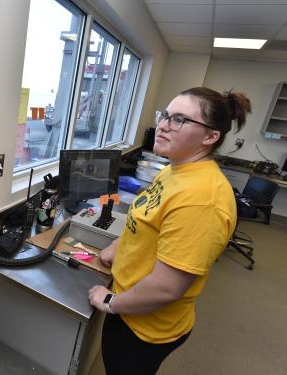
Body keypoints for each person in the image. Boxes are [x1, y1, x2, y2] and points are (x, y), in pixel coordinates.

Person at [88, 87, 252, 374]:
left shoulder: (203, 199)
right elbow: (148, 217)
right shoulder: (175, 169)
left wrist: (111, 302)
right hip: (130, 303)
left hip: (144, 325)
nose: (163, 125)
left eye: (180, 119)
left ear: (211, 136)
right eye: (165, 115)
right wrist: (119, 248)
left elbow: (166, 288)